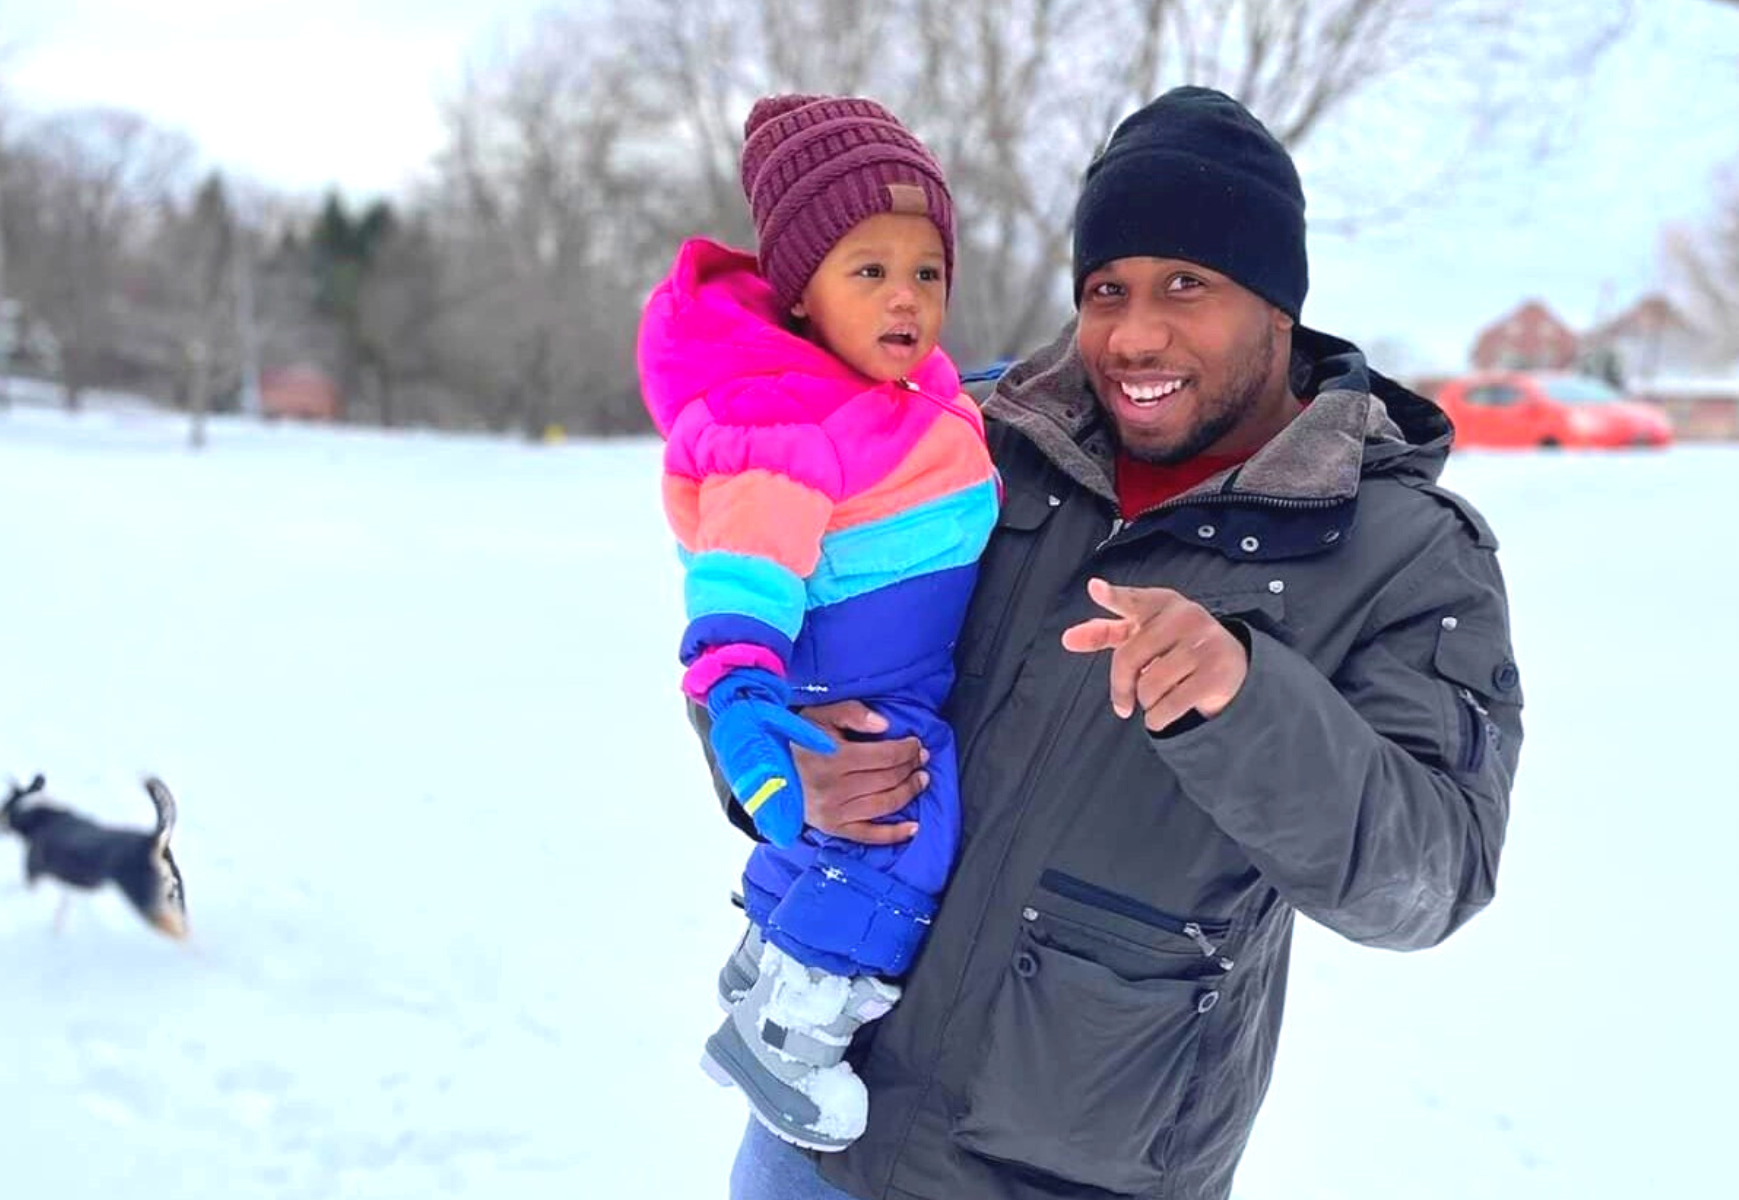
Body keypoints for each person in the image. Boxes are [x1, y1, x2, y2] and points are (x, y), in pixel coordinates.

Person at [705, 86, 1524, 1200]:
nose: (1136, 334)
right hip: (821, 1126)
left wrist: (1244, 701)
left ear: (1279, 303)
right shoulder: (966, 438)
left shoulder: (1402, 552)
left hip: (1078, 1172)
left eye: (1188, 284)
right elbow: (750, 629)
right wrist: (779, 761)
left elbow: (1430, 875)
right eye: (1108, 290)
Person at [636, 95, 998, 1151]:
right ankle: (788, 1028)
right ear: (802, 297)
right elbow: (743, 571)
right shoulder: (781, 415)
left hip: (895, 660)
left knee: (862, 814)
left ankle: (767, 951)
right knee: (901, 827)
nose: (907, 299)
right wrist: (739, 689)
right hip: (850, 673)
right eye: (869, 270)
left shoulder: (905, 392)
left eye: (927, 272)